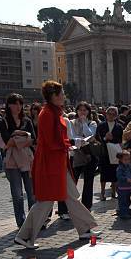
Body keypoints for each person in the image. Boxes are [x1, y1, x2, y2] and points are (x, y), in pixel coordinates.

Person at [15, 81, 100, 249]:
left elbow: (56, 141)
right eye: (61, 94)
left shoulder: (53, 112)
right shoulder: (47, 114)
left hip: (58, 163)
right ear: (53, 96)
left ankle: (84, 228)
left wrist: (72, 142)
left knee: (71, 196)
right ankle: (24, 235)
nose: (64, 96)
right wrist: (74, 141)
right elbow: (51, 141)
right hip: (50, 164)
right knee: (46, 201)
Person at [0, 93, 36, 228]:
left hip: (27, 158)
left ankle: (34, 219)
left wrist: (15, 135)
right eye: (15, 103)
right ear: (9, 105)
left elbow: (33, 140)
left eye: (20, 103)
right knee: (17, 194)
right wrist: (22, 136)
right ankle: (21, 222)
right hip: (12, 160)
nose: (18, 106)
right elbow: (7, 142)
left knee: (31, 192)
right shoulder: (3, 121)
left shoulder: (27, 121)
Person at [68, 101, 98, 210]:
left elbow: (90, 136)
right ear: (76, 111)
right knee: (72, 182)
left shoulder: (92, 123)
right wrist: (80, 140)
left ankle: (87, 206)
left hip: (89, 155)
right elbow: (71, 136)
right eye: (80, 110)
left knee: (88, 182)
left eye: (84, 110)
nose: (82, 112)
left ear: (88, 111)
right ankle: (70, 206)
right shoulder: (71, 122)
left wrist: (84, 123)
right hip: (75, 155)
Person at [96, 106, 123, 201]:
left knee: (114, 173)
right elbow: (97, 138)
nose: (111, 116)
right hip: (104, 152)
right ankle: (102, 193)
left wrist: (113, 139)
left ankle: (113, 192)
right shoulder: (101, 125)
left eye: (113, 114)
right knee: (103, 173)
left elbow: (121, 140)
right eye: (109, 114)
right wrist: (104, 138)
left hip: (115, 152)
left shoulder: (119, 126)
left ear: (116, 116)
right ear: (106, 114)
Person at [116, 151, 131, 220]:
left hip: (128, 187)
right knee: (122, 201)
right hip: (122, 188)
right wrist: (126, 179)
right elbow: (119, 177)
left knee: (128, 200)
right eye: (125, 160)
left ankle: (127, 211)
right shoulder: (120, 168)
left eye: (128, 159)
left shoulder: (129, 166)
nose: (127, 161)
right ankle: (123, 213)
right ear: (121, 160)